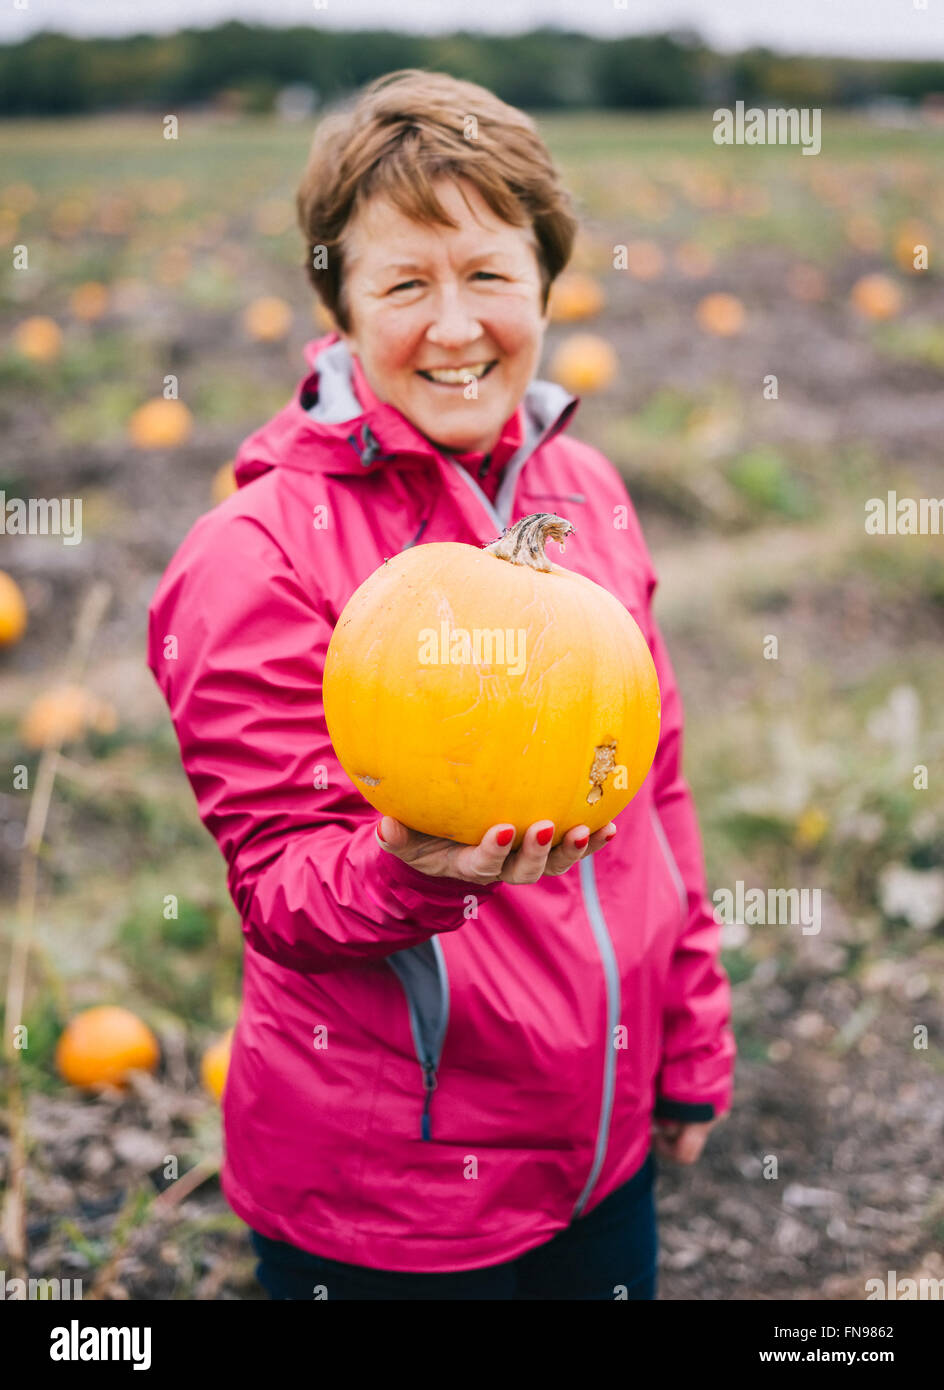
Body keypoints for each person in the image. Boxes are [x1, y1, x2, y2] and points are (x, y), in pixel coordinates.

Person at [146, 68, 735, 1301]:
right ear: (340, 306)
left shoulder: (592, 496)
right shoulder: (257, 552)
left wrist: (684, 1036)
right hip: (385, 1200)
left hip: (599, 1148)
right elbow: (277, 886)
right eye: (405, 282)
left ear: (543, 284)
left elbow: (651, 794)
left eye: (488, 275)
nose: (455, 326)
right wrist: (406, 868)